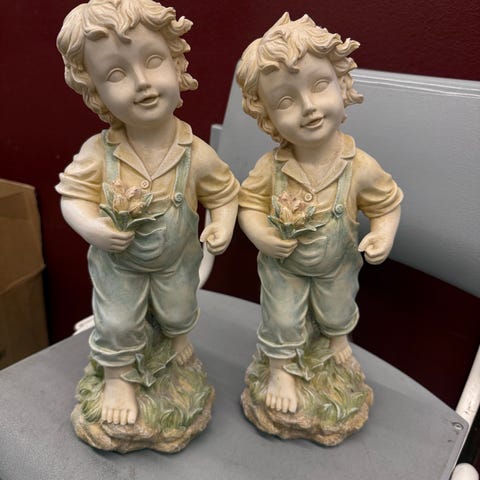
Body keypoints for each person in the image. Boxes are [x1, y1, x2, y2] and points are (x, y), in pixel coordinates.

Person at [56, 0, 239, 426]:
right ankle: (118, 377)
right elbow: (72, 198)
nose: (142, 83)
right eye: (116, 74)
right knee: (118, 323)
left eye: (153, 60)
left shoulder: (196, 153)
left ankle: (175, 341)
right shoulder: (99, 153)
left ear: (177, 64)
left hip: (177, 263)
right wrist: (93, 228)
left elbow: (225, 193)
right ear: (95, 91)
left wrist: (222, 225)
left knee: (179, 312)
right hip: (119, 266)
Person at [236, 13, 402, 415]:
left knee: (337, 310)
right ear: (268, 118)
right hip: (284, 268)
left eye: (319, 85)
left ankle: (336, 340)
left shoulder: (359, 166)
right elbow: (249, 204)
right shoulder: (271, 168)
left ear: (342, 85)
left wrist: (383, 234)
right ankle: (280, 370)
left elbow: (387, 203)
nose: (308, 108)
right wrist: (260, 235)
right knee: (281, 319)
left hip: (336, 266)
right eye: (285, 101)